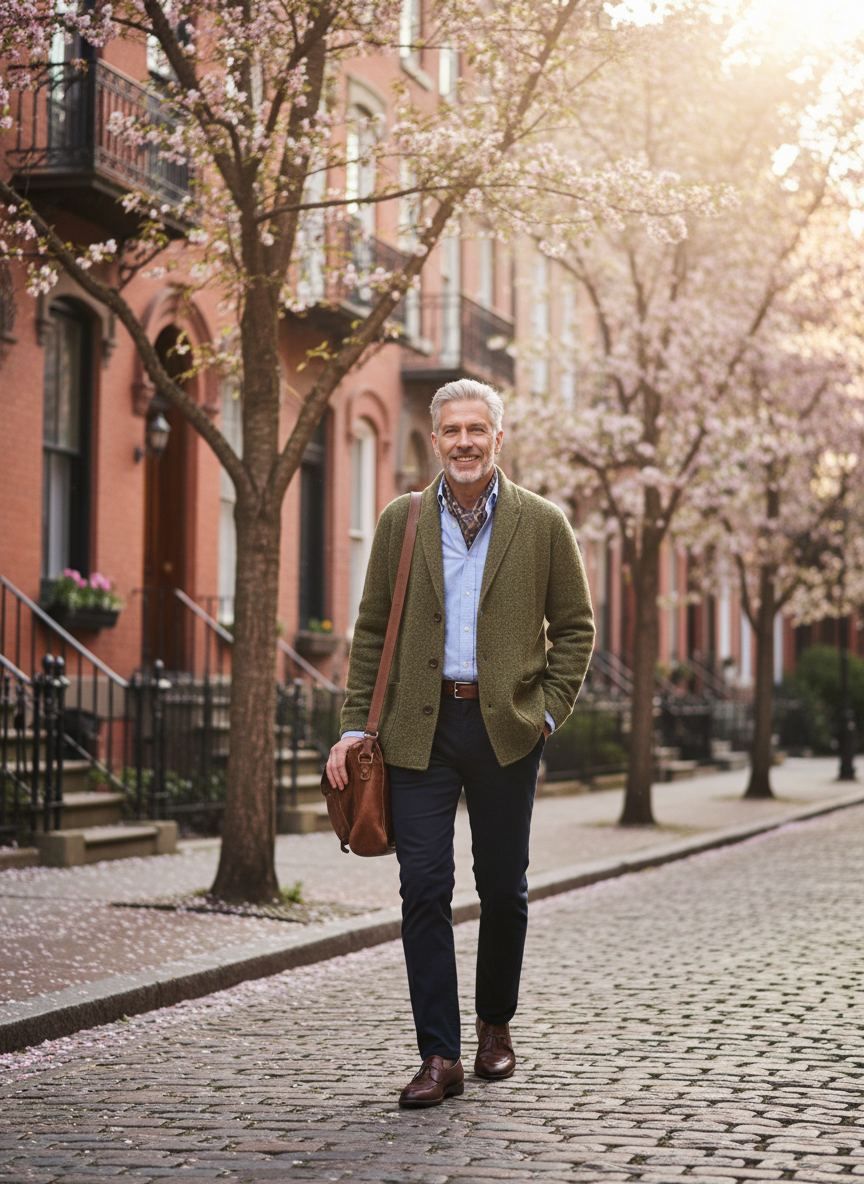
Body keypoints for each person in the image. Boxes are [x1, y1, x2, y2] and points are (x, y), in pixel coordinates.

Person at [326, 378, 595, 1107]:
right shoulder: (402, 520)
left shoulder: (543, 523)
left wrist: (545, 715)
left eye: (478, 430)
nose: (465, 442)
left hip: (506, 729)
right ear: (436, 440)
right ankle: (439, 1054)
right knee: (423, 885)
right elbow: (371, 630)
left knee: (503, 887)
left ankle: (494, 1026)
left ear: (498, 439)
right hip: (419, 729)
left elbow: (576, 629)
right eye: (452, 430)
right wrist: (354, 727)